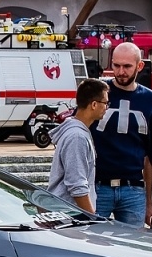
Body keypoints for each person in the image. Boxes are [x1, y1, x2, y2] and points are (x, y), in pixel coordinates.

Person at [91, 41, 152, 226]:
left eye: (127, 66)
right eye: (116, 66)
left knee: (132, 246)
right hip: (97, 185)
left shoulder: (150, 99)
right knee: (89, 243)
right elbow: (78, 127)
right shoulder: (98, 91)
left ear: (140, 66)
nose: (120, 72)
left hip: (132, 188)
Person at [46, 79, 109, 213]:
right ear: (94, 104)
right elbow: (76, 184)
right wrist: (91, 216)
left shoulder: (77, 131)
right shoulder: (77, 136)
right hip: (70, 217)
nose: (106, 107)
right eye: (105, 103)